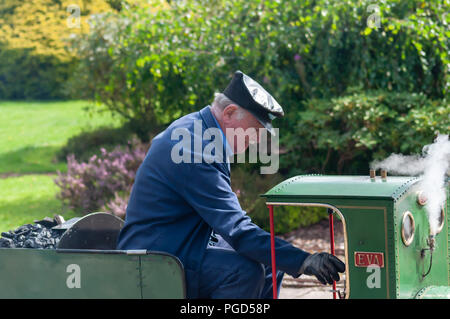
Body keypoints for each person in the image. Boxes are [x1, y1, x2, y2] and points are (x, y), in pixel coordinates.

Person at [116, 70, 345, 298]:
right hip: (153, 258)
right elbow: (237, 231)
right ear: (229, 112)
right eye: (254, 130)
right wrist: (303, 260)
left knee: (269, 266)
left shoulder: (201, 132)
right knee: (244, 272)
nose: (256, 140)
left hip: (181, 244)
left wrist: (292, 259)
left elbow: (232, 226)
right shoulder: (193, 149)